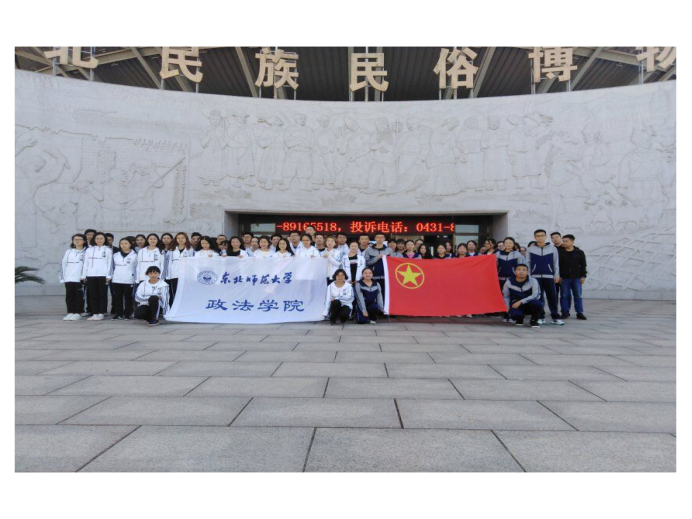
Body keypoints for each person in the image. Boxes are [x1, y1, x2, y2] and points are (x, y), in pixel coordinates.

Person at [526, 229, 564, 326]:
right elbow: (528, 263)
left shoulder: (553, 248)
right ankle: (541, 317)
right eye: (537, 236)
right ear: (534, 237)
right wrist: (529, 276)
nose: (540, 237)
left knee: (552, 297)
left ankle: (555, 317)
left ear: (545, 236)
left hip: (549, 276)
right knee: (538, 297)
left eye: (542, 235)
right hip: (535, 277)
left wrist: (556, 275)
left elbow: (556, 263)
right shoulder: (530, 249)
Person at [81, 232, 112, 321]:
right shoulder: (89, 250)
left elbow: (110, 264)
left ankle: (101, 313)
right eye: (97, 238)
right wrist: (83, 275)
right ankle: (94, 313)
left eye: (101, 238)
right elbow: (85, 263)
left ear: (105, 240)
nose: (99, 240)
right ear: (94, 239)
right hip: (91, 275)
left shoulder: (108, 250)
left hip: (103, 275)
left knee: (102, 294)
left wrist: (108, 275)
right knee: (92, 295)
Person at [558, 234, 588, 320]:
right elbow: (556, 265)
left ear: (572, 241)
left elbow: (583, 265)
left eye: (566, 241)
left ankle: (579, 313)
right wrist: (558, 275)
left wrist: (583, 276)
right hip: (564, 278)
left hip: (576, 277)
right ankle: (565, 312)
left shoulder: (579, 252)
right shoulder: (560, 252)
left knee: (578, 295)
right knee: (564, 295)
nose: (564, 243)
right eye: (563, 241)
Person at [503, 264, 543, 328]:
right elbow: (506, 296)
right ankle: (519, 319)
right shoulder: (509, 282)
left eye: (524, 270)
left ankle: (534, 320)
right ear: (515, 271)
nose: (521, 272)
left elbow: (536, 295)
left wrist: (521, 301)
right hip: (515, 304)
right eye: (519, 270)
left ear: (527, 272)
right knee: (514, 315)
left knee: (538, 304)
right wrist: (507, 306)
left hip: (529, 303)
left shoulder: (533, 281)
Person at [60, 233, 87, 321]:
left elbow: (87, 266)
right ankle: (70, 312)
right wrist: (63, 277)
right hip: (69, 278)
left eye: (79, 239)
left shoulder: (86, 252)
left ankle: (78, 312)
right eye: (75, 239)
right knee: (69, 296)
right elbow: (63, 264)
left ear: (84, 241)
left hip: (79, 278)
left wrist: (84, 276)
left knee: (79, 296)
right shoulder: (69, 252)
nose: (77, 241)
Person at [110, 237, 138, 320]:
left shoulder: (135, 255)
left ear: (130, 244)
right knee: (117, 297)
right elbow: (111, 267)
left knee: (128, 298)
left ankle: (127, 314)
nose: (123, 245)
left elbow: (137, 267)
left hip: (129, 279)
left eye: (126, 243)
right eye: (121, 243)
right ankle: (118, 314)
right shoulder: (115, 255)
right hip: (116, 279)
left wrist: (136, 278)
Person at [165, 232, 196, 305]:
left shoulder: (190, 250)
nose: (180, 240)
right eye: (178, 238)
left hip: (186, 276)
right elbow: (168, 264)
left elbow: (193, 263)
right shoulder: (171, 250)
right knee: (174, 293)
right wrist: (168, 276)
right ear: (176, 239)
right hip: (174, 275)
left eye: (182, 238)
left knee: (185, 293)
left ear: (186, 239)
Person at [364, 233, 393, 298]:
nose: (380, 239)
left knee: (385, 294)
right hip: (373, 277)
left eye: (381, 237)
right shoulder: (369, 250)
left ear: (384, 239)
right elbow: (367, 263)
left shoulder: (389, 250)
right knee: (374, 294)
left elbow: (392, 263)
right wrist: (376, 258)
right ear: (375, 239)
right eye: (378, 237)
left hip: (386, 277)